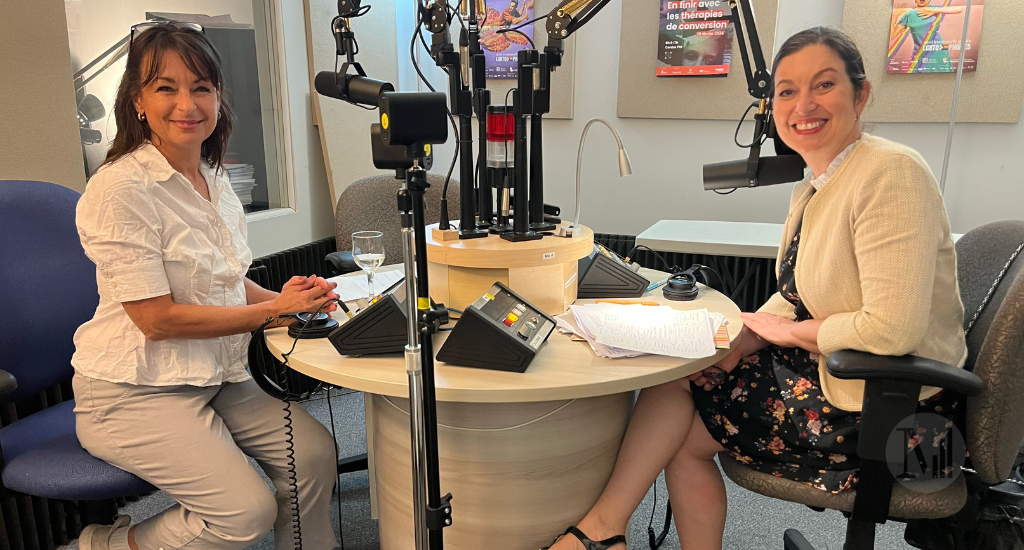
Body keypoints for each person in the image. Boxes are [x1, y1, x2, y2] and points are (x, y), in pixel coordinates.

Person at [543, 26, 967, 550]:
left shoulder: (891, 174)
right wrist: (738, 332)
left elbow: (892, 330)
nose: (803, 104)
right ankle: (604, 531)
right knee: (683, 399)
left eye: (824, 85)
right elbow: (796, 294)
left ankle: (599, 531)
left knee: (677, 399)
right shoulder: (818, 180)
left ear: (861, 94)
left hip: (899, 415)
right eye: (787, 90)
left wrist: (785, 336)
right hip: (844, 377)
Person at [71, 23, 341, 550]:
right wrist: (272, 312)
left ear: (218, 97)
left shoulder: (215, 181)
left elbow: (222, 282)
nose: (187, 104)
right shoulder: (121, 189)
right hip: (132, 392)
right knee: (245, 513)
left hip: (212, 374)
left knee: (311, 456)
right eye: (165, 87)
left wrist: (290, 307)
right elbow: (157, 319)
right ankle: (107, 544)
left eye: (201, 87)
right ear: (138, 101)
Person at [890, 0, 965, 72]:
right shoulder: (909, 15)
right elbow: (892, 35)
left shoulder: (933, 9)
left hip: (938, 51)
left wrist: (934, 11)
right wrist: (895, 16)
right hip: (919, 53)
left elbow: (959, 9)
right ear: (915, 0)